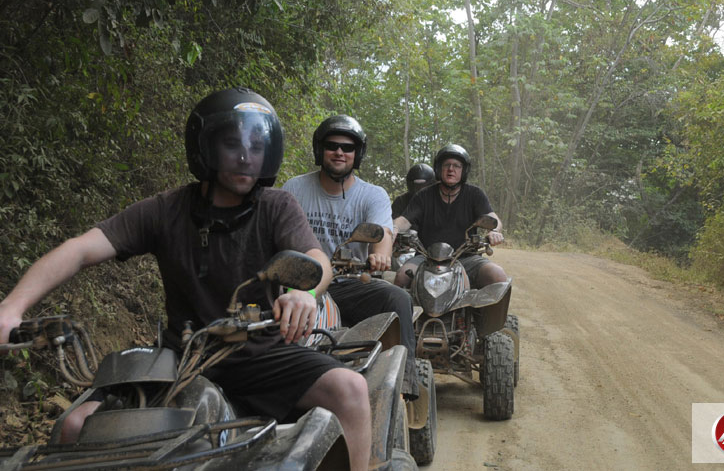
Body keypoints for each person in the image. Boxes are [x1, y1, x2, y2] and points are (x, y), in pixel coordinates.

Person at [0, 88, 372, 471]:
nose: (246, 157)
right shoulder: (166, 210)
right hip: (182, 358)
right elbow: (79, 249)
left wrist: (304, 292)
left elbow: (316, 260)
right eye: (232, 145)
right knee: (75, 425)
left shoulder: (276, 206)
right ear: (205, 148)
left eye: (257, 146)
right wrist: (12, 307)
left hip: (263, 355)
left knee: (352, 388)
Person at [282, 115, 419, 398]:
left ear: (358, 154)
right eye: (332, 145)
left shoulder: (372, 195)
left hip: (349, 282)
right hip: (297, 283)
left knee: (398, 298)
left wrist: (380, 256)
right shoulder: (294, 188)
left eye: (347, 147)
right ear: (320, 150)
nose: (339, 152)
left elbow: (382, 234)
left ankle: (404, 386)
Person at [392, 143, 506, 289]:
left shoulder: (475, 194)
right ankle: (408, 312)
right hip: (426, 257)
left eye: (457, 165)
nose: (451, 169)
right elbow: (405, 220)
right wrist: (394, 228)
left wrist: (495, 231)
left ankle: (493, 313)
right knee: (402, 277)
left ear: (464, 171)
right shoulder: (423, 195)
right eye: (446, 165)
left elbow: (492, 218)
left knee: (497, 275)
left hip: (466, 257)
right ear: (439, 169)